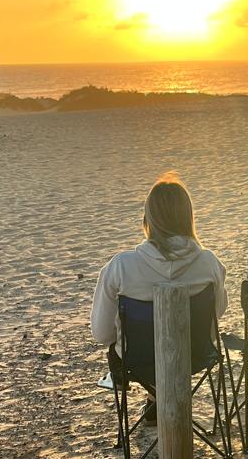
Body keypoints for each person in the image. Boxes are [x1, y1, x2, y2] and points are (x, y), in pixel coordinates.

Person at [90, 174, 228, 424]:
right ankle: (155, 398)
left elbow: (102, 334)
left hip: (136, 360)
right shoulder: (209, 263)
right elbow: (217, 313)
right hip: (195, 355)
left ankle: (154, 396)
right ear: (189, 217)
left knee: (126, 348)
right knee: (168, 344)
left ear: (149, 219)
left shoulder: (121, 266)